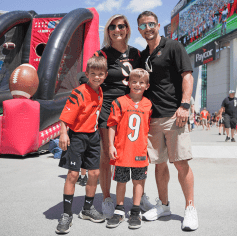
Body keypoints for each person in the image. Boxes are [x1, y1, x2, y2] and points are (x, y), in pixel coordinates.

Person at [138, 11, 198, 231]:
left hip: (175, 115)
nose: (148, 28)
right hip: (152, 119)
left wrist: (184, 105)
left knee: (181, 163)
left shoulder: (173, 46)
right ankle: (163, 205)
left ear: (158, 25)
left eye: (151, 24)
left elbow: (187, 76)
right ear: (139, 30)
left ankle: (190, 208)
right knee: (159, 163)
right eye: (143, 26)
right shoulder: (143, 56)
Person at [94, 14, 154, 219]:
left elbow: (147, 78)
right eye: (112, 26)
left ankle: (141, 194)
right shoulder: (101, 54)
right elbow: (88, 77)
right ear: (108, 30)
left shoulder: (137, 54)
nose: (117, 29)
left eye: (121, 26)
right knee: (107, 155)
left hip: (134, 109)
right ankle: (107, 197)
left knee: (138, 152)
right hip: (109, 109)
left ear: (127, 29)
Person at [56, 56, 107, 234]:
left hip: (93, 136)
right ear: (87, 74)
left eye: (100, 74)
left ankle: (87, 209)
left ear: (105, 75)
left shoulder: (100, 92)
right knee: (73, 174)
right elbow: (64, 117)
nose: (97, 77)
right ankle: (66, 215)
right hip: (77, 136)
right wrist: (63, 133)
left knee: (94, 173)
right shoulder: (79, 92)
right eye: (93, 73)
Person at [106, 69, 152, 229]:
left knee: (138, 181)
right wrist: (111, 145)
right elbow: (112, 124)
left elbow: (149, 129)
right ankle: (119, 210)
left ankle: (135, 210)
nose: (137, 85)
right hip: (122, 150)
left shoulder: (149, 104)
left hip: (140, 151)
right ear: (128, 83)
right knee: (121, 181)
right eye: (134, 81)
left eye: (141, 82)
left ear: (147, 85)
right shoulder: (119, 102)